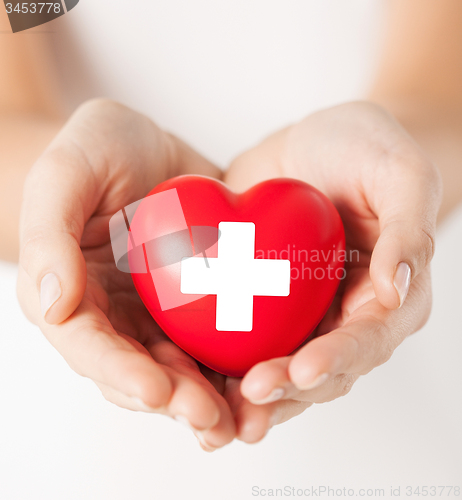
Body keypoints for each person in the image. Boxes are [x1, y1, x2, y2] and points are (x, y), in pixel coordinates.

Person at [1, 0, 461, 453]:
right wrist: (72, 210)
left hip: (393, 399)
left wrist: (390, 174)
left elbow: (443, 99)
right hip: (70, 419)